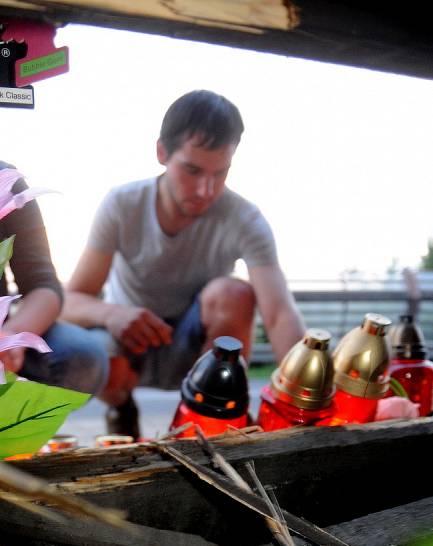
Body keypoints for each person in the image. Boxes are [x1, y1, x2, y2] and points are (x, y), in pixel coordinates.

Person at [61, 90, 306, 438]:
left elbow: (280, 314)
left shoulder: (245, 218)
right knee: (97, 350)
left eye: (220, 174)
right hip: (130, 343)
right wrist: (113, 315)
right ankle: (122, 408)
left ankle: (215, 417)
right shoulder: (122, 204)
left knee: (233, 292)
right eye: (192, 170)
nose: (206, 190)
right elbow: (69, 302)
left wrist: (307, 394)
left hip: (197, 344)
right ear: (162, 152)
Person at [0, 161, 109, 394]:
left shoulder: (4, 179)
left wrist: (12, 339)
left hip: (4, 345)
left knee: (81, 357)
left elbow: (43, 285)